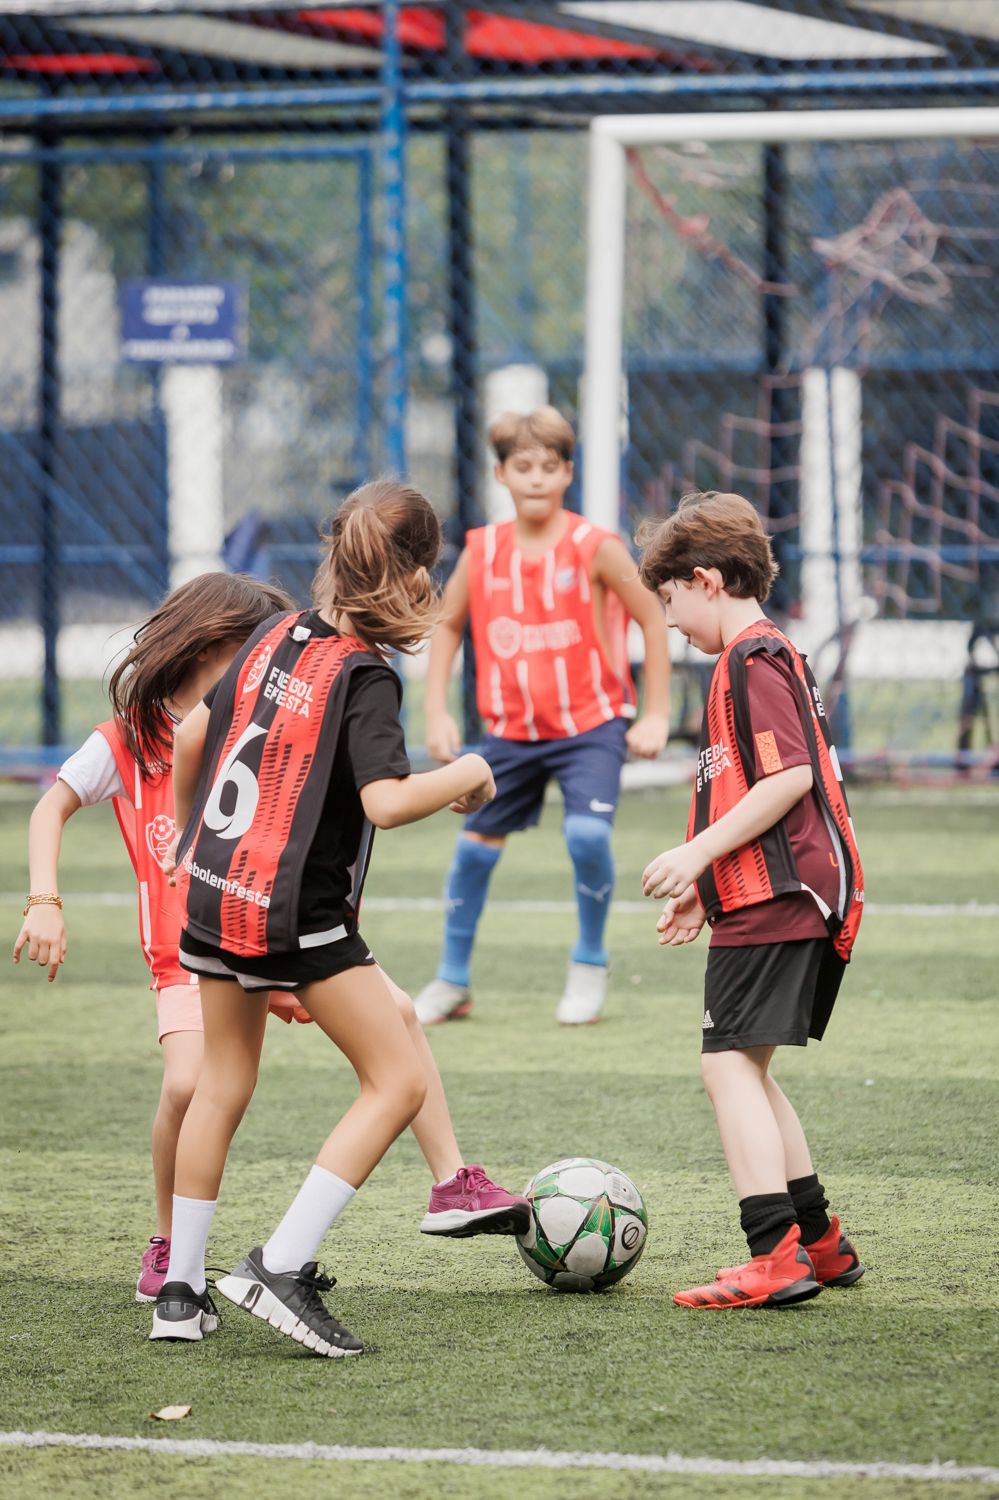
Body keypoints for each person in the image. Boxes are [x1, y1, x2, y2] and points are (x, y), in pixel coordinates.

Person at [151, 478, 525, 1357]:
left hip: (213, 890)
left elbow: (194, 734)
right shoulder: (366, 676)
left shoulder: (272, 633)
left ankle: (179, 1293)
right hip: (294, 912)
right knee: (396, 1081)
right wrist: (470, 771)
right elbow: (386, 802)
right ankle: (279, 1265)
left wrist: (186, 836)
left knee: (222, 1084)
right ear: (411, 574)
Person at [13, 572, 300, 1303]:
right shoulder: (128, 739)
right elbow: (49, 809)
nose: (263, 665)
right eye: (253, 649)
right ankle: (171, 1242)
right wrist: (43, 901)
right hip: (184, 964)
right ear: (207, 644)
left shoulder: (256, 728)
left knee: (395, 1029)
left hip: (266, 944)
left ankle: (452, 1178)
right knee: (186, 1083)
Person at [635, 491, 865, 1309]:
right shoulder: (764, 654)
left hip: (782, 892)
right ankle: (819, 1243)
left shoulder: (750, 658)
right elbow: (749, 786)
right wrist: (707, 891)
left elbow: (787, 778)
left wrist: (696, 853)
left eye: (669, 600)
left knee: (725, 1064)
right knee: (750, 1069)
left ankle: (772, 1256)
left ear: (705, 579)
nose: (668, 621)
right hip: (781, 890)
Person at [415, 407, 671, 1027]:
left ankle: (589, 964)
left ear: (568, 474)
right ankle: (452, 979)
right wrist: (436, 711)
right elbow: (446, 625)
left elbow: (652, 615)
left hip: (591, 725)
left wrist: (656, 713)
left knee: (587, 837)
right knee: (474, 849)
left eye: (549, 467)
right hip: (510, 733)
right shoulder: (482, 551)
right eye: (523, 466)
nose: (536, 478)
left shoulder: (596, 546)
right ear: (501, 473)